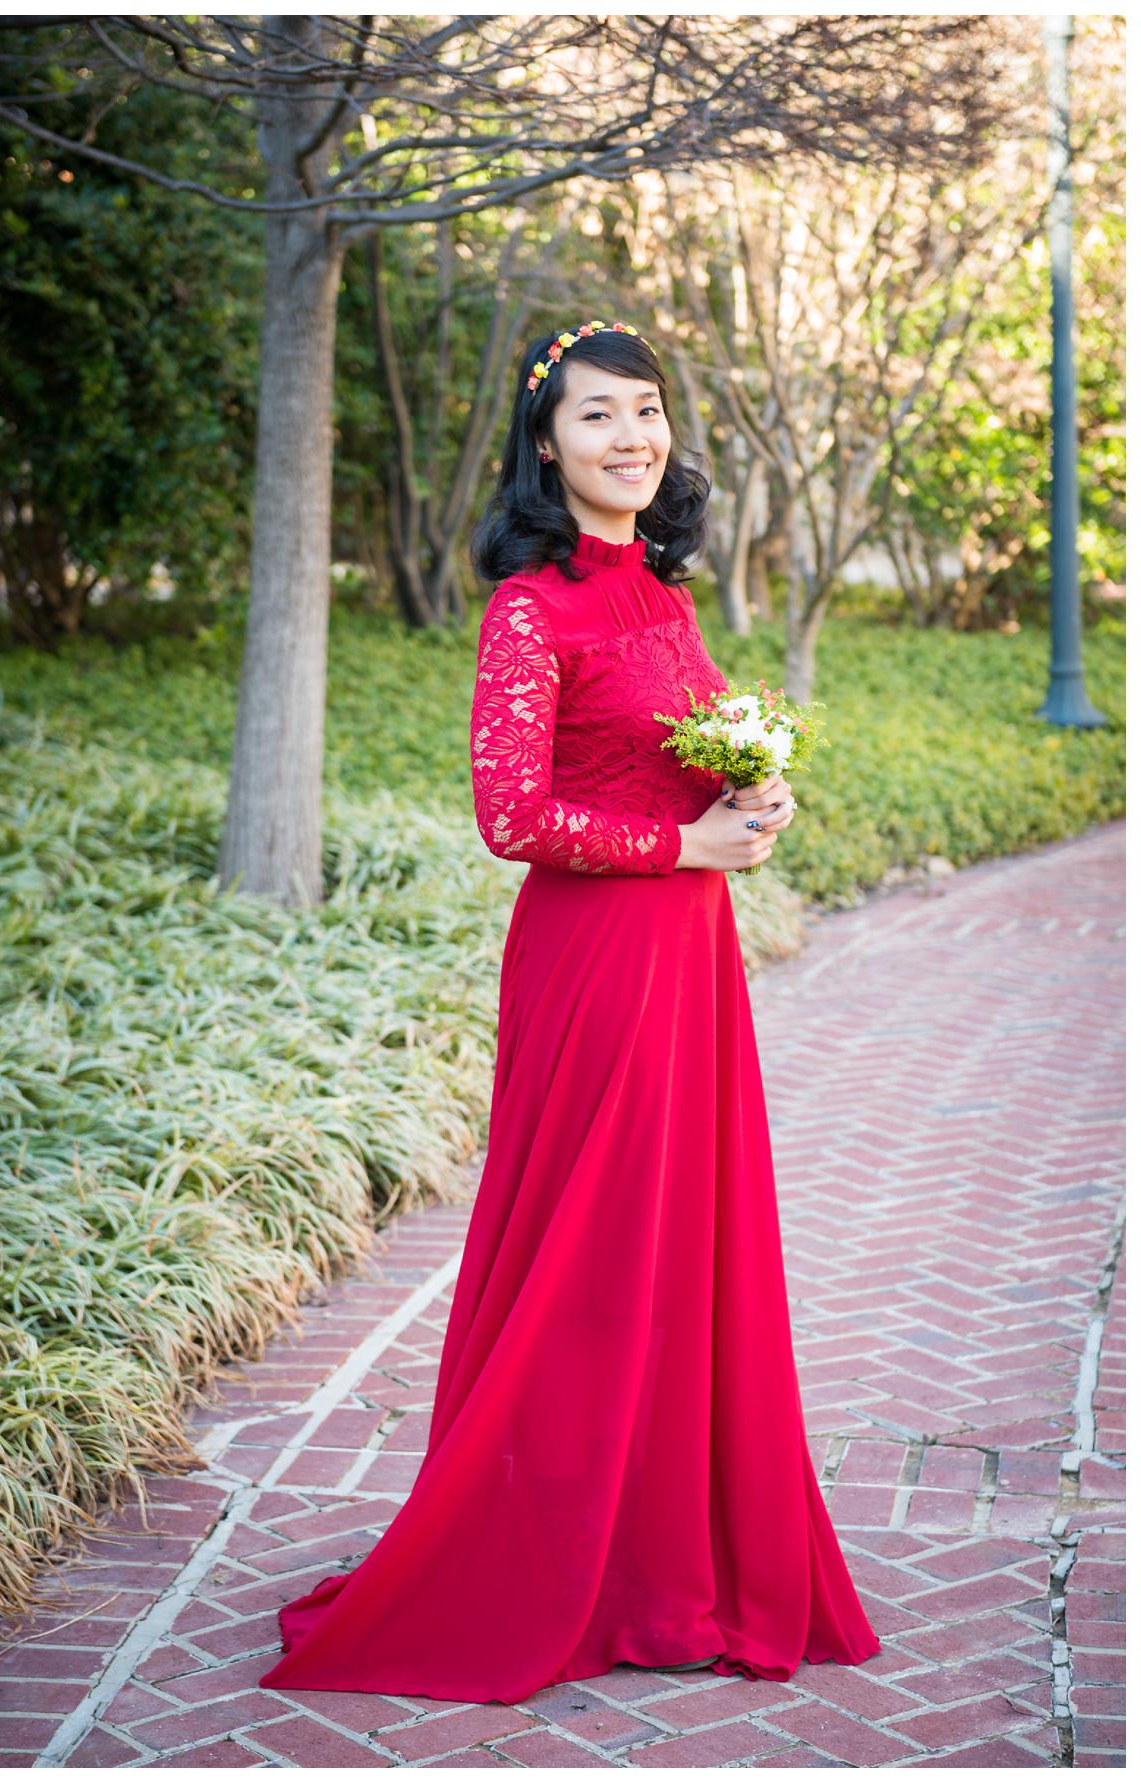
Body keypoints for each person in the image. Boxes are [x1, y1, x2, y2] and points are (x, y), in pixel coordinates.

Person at [262, 321, 879, 1703]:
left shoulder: (660, 597)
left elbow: (706, 733)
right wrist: (686, 851)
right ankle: (559, 1550)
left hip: (690, 959)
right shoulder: (530, 610)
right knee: (591, 1253)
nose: (630, 440)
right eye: (598, 417)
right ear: (547, 444)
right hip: (598, 963)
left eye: (647, 413)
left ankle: (671, 1553)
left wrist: (757, 795)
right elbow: (511, 813)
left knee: (683, 1245)